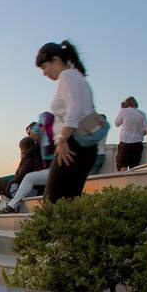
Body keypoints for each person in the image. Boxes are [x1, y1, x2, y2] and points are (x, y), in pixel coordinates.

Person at [36, 40, 104, 203]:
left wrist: (62, 139)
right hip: (84, 146)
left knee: (54, 200)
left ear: (56, 59)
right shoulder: (77, 77)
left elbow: (75, 109)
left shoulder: (67, 76)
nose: (44, 73)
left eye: (44, 67)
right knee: (69, 200)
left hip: (73, 145)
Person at [0, 137, 43, 214]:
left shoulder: (30, 159)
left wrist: (10, 183)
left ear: (24, 148)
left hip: (27, 192)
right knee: (3, 182)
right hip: (34, 190)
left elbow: (21, 177)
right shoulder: (39, 156)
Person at [114, 97, 147, 171]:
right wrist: (138, 134)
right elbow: (146, 130)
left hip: (125, 142)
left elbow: (116, 123)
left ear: (127, 104)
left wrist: (122, 109)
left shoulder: (124, 111)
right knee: (134, 167)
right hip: (138, 144)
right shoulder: (142, 114)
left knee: (122, 165)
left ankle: (124, 182)